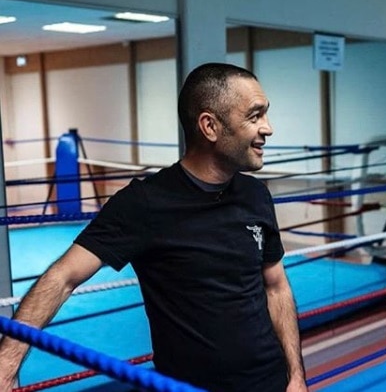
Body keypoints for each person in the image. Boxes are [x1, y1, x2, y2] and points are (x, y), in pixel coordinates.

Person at [0, 63, 308, 392]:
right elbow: (63, 276)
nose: (268, 128)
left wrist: (296, 375)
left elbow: (276, 287)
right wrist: (6, 362)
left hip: (272, 382)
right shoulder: (145, 203)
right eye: (254, 115)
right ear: (210, 126)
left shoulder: (255, 194)